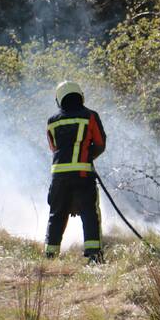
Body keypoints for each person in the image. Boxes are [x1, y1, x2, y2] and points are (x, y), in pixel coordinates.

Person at [45, 81, 107, 263]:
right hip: (82, 174)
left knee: (57, 213)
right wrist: (87, 157)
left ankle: (50, 255)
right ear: (80, 95)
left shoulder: (52, 121)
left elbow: (53, 147)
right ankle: (94, 256)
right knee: (89, 213)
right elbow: (100, 144)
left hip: (59, 175)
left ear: (59, 98)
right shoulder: (90, 116)